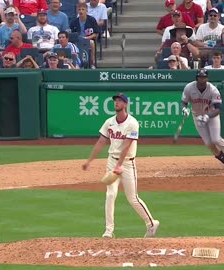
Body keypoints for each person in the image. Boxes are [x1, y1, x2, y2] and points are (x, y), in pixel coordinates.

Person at [82, 93, 160, 239]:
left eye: (119, 101)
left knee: (132, 198)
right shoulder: (109, 122)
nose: (116, 103)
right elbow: (100, 142)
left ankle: (151, 223)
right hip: (112, 161)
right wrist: (89, 161)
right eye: (115, 101)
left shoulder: (132, 123)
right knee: (110, 194)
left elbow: (127, 145)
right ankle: (108, 231)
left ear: (125, 104)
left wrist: (119, 166)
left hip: (127, 163)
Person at [181, 69, 224, 173]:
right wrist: (184, 109)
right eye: (200, 77)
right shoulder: (189, 87)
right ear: (197, 78)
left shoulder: (213, 90)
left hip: (211, 116)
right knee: (209, 143)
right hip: (197, 116)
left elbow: (218, 109)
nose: (202, 79)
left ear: (207, 78)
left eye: (204, 77)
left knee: (216, 139)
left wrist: (207, 116)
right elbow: (183, 102)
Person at [69, 2, 99, 69]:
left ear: (86, 10)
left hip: (88, 39)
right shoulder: (74, 21)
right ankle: (76, 63)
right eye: (79, 9)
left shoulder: (91, 20)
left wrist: (87, 38)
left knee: (91, 43)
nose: (81, 11)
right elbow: (71, 34)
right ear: (77, 10)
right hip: (77, 40)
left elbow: (96, 33)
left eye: (83, 9)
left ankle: (92, 63)